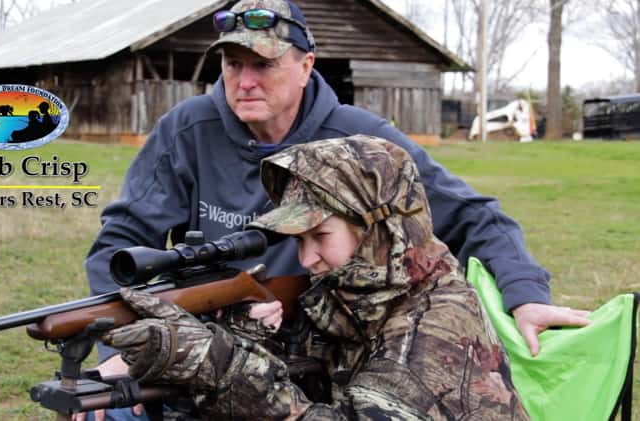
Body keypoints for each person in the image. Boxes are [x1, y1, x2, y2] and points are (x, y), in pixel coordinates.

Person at [81, 0, 589, 419]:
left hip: (331, 343)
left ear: (307, 66)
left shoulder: (365, 144)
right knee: (110, 404)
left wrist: (525, 293)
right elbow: (121, 243)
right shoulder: (187, 128)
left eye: (263, 64)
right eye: (233, 65)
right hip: (246, 335)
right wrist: (121, 350)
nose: (245, 81)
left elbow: (473, 216)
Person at [102, 135, 530, 419]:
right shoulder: (357, 292)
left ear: (380, 229)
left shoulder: (440, 324)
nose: (307, 259)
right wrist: (244, 339)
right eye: (298, 240)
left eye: (320, 236)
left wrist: (223, 365)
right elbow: (309, 374)